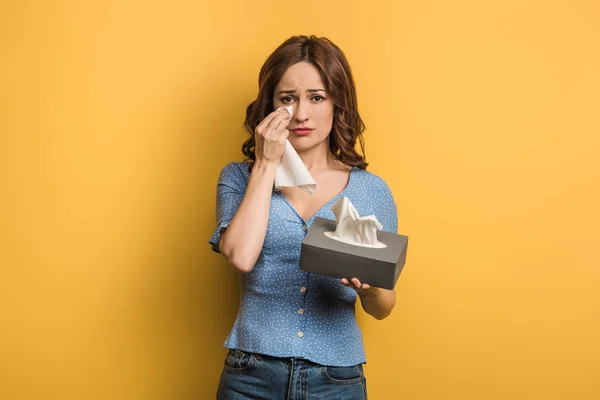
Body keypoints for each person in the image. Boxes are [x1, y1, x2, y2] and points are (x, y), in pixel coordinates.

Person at [209, 35, 398, 400]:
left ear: (336, 104)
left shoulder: (372, 191)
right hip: (250, 375)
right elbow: (241, 256)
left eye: (316, 97)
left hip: (337, 380)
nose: (300, 114)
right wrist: (265, 163)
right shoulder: (238, 178)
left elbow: (384, 307)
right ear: (270, 106)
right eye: (287, 98)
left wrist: (370, 289)